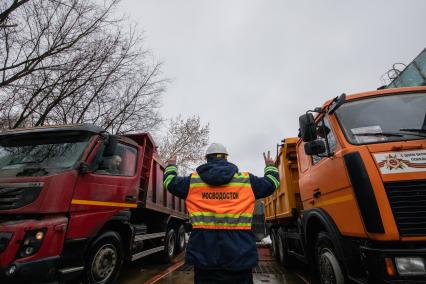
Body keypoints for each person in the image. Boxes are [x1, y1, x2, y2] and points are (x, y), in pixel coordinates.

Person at [163, 143, 280, 284]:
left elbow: (170, 182)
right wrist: (270, 166)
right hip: (239, 255)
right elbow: (272, 183)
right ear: (226, 158)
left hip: (204, 255)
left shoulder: (192, 182)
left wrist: (171, 166)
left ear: (207, 159)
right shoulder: (246, 181)